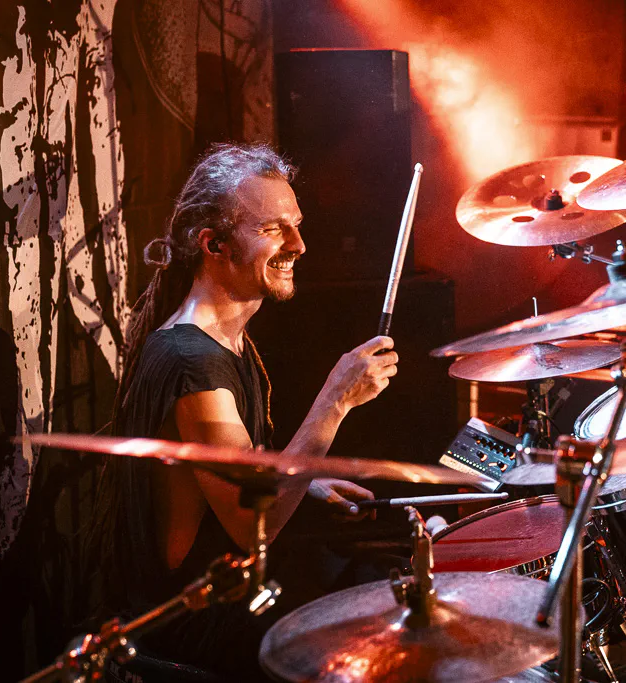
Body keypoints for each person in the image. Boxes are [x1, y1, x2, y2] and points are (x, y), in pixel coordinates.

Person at [89, 143, 399, 681]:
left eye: (297, 225)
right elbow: (254, 522)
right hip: (202, 624)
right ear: (214, 244)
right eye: (274, 229)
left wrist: (309, 484)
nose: (298, 245)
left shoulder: (224, 342)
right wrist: (336, 400)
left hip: (233, 596)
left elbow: (234, 469)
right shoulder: (193, 363)